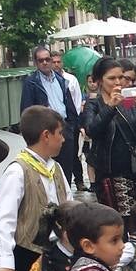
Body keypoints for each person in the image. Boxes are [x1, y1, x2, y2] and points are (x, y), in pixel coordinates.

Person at [0, 107, 69, 271]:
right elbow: (4, 219)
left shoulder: (56, 167)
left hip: (56, 251)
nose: (63, 139)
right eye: (60, 133)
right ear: (46, 135)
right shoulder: (18, 170)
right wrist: (6, 262)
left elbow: (69, 203)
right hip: (28, 252)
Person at [80, 57, 136, 216]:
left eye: (121, 77)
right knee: (118, 222)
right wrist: (110, 107)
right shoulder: (94, 104)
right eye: (111, 78)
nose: (117, 82)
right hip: (110, 173)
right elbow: (92, 130)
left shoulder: (128, 101)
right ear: (99, 80)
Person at [21, 47, 83, 190]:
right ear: (36, 63)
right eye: (40, 60)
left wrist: (73, 125)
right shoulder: (31, 83)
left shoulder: (61, 80)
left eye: (47, 59)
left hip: (64, 128)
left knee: (66, 167)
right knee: (47, 168)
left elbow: (69, 105)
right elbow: (27, 110)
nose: (45, 63)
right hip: (45, 131)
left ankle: (65, 199)